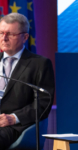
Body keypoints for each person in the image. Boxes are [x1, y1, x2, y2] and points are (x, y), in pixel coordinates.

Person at [0, 13, 55, 149]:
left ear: (25, 37)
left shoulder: (39, 64)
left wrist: (13, 117)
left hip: (14, 127)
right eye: (1, 33)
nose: (4, 38)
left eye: (10, 34)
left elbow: (43, 103)